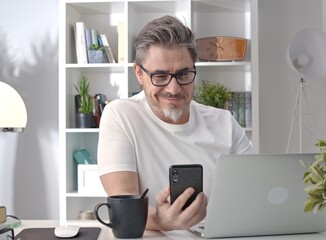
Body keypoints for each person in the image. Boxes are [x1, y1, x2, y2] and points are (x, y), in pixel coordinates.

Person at [97, 15, 252, 231]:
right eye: (160, 76)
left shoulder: (224, 121)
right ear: (139, 73)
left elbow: (254, 193)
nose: (174, 89)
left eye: (183, 74)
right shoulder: (120, 115)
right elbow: (123, 207)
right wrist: (162, 221)